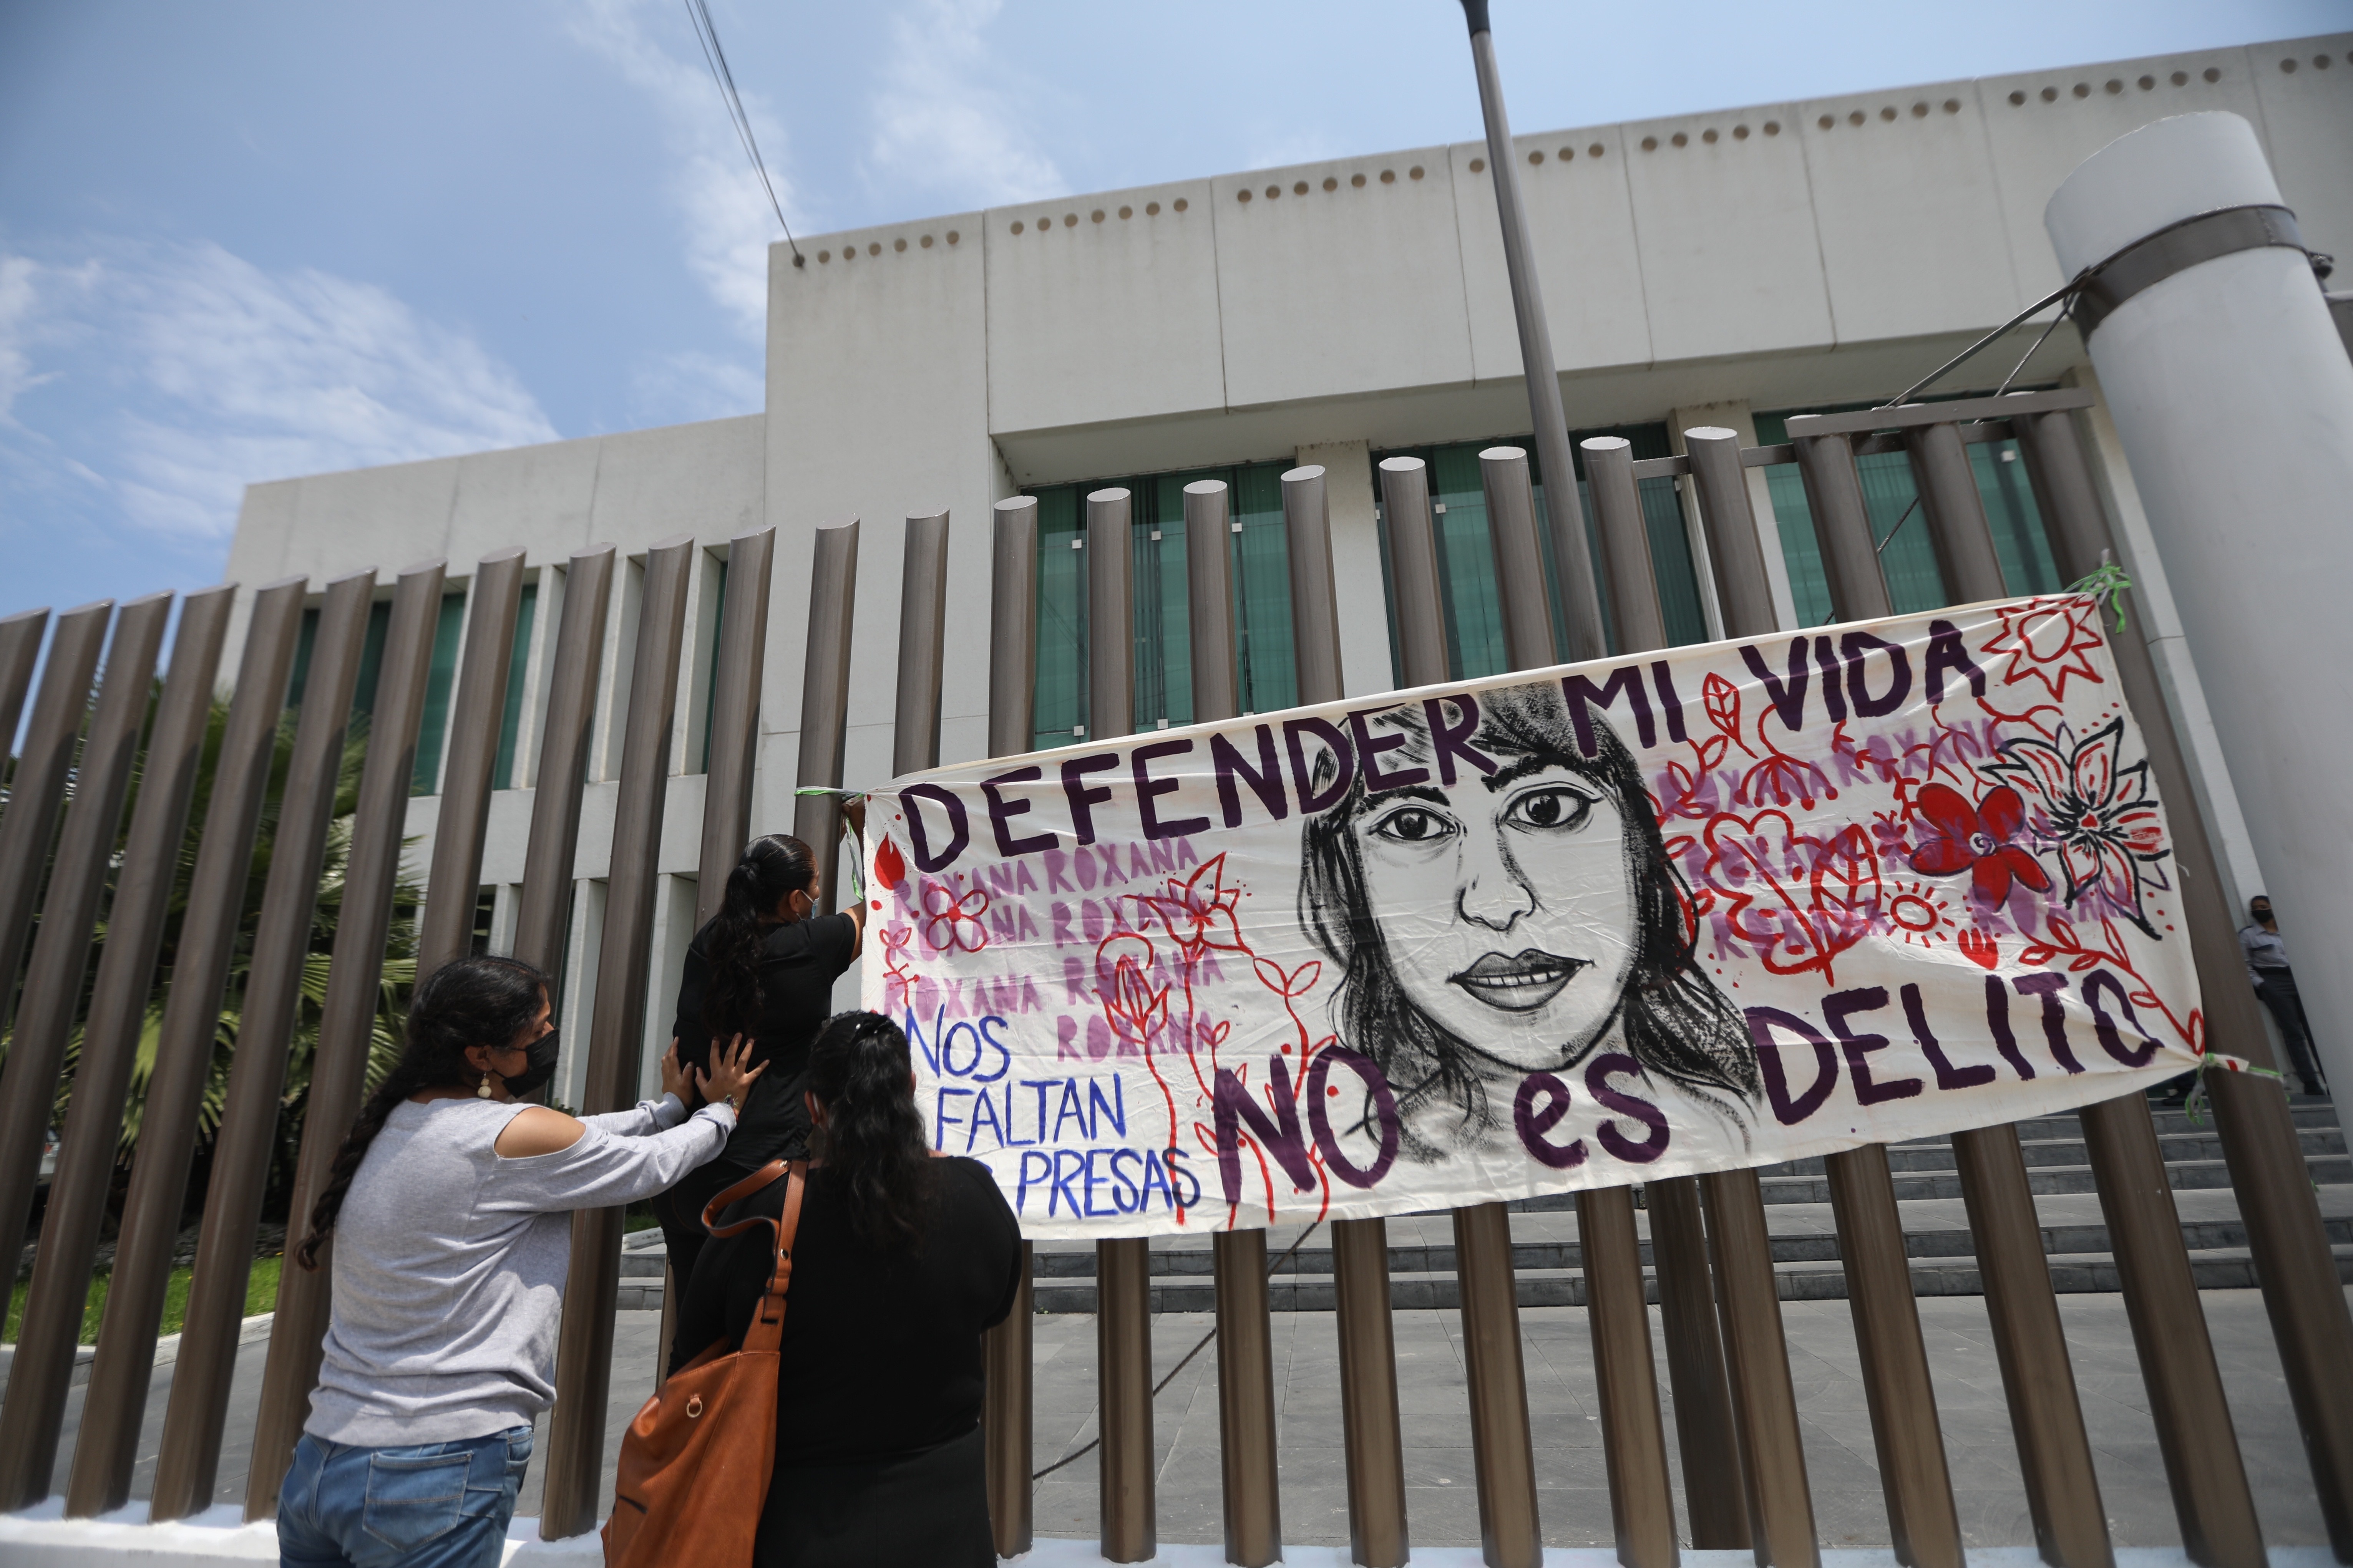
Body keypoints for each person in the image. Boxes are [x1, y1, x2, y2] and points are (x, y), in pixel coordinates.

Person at [276, 954, 763, 1568]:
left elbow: (575, 1136)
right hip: (434, 1463)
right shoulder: (502, 1136)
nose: (549, 1040)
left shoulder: (402, 1119)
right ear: (482, 1055)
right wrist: (723, 1112)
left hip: (324, 1460)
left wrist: (665, 1109)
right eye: (537, 1032)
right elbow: (647, 1166)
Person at [1299, 680, 1756, 1164]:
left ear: (1635, 845)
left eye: (1546, 808)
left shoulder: (1747, 1112)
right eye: (1412, 825)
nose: (1496, 903)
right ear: (1348, 885)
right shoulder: (1358, 1155)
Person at [672, 1011, 1021, 1568]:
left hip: (798, 1521)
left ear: (814, 1105)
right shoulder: (976, 1194)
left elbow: (692, 1354)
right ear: (909, 1089)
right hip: (950, 1519)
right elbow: (996, 1304)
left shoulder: (765, 1210)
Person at [655, 809, 866, 1286]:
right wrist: (869, 830)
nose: (817, 900)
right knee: (759, 1341)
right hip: (757, 1177)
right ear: (795, 899)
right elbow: (883, 904)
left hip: (683, 1169)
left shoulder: (708, 942)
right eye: (813, 891)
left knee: (695, 1339)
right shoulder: (809, 946)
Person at [2241, 893, 2326, 1097]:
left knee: (2319, 1034)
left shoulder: (2291, 929)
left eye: (2264, 906)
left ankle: (2332, 1079)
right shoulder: (2248, 935)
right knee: (2293, 1033)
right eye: (2256, 908)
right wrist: (2262, 985)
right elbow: (2245, 964)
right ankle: (2310, 1082)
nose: (2259, 911)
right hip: (2274, 983)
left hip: (2302, 980)